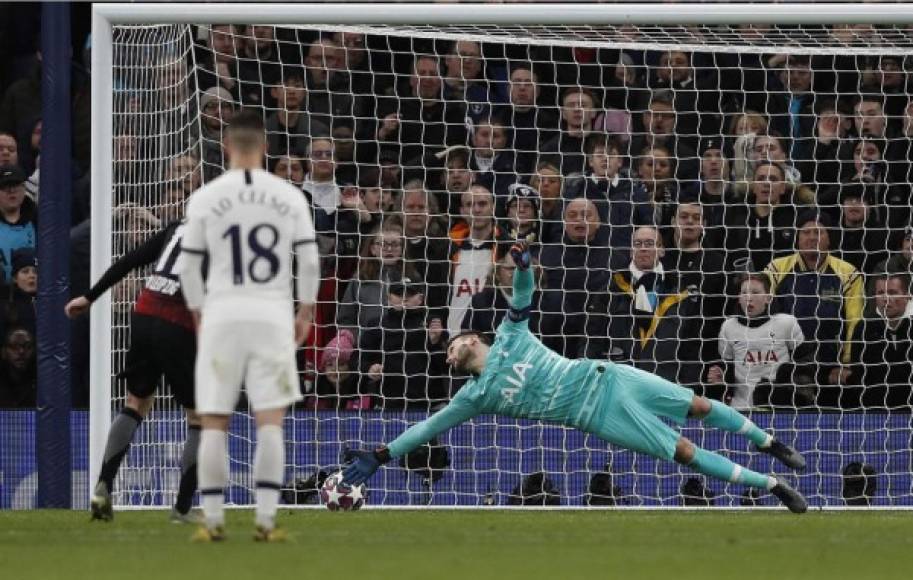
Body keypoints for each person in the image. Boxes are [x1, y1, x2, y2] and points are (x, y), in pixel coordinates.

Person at [342, 240, 809, 513]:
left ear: (472, 339)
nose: (449, 354)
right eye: (446, 353)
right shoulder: (475, 395)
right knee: (684, 451)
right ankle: (770, 486)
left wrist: (523, 267)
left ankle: (769, 443)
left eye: (452, 344)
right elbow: (428, 427)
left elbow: (523, 293)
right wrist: (381, 456)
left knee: (699, 406)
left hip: (608, 375)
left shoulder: (508, 333)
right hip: (598, 415)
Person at [177, 111, 319, 542]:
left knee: (215, 419)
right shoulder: (288, 195)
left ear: (226, 147)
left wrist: (199, 312)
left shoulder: (204, 196)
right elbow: (309, 259)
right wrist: (306, 311)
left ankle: (215, 521)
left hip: (223, 313)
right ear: (265, 147)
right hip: (271, 315)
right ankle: (265, 521)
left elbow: (188, 267)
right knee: (270, 420)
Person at [64, 219, 201, 523]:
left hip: (143, 313)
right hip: (179, 320)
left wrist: (89, 296)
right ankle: (182, 507)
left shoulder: (179, 226)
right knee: (200, 416)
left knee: (136, 403)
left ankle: (104, 485)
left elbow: (130, 260)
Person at [708, 274, 805, 410]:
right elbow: (727, 365)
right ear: (739, 298)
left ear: (768, 298)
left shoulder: (787, 322)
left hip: (779, 408)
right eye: (744, 293)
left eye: (755, 292)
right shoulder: (728, 326)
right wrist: (720, 377)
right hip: (741, 409)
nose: (749, 297)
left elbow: (804, 363)